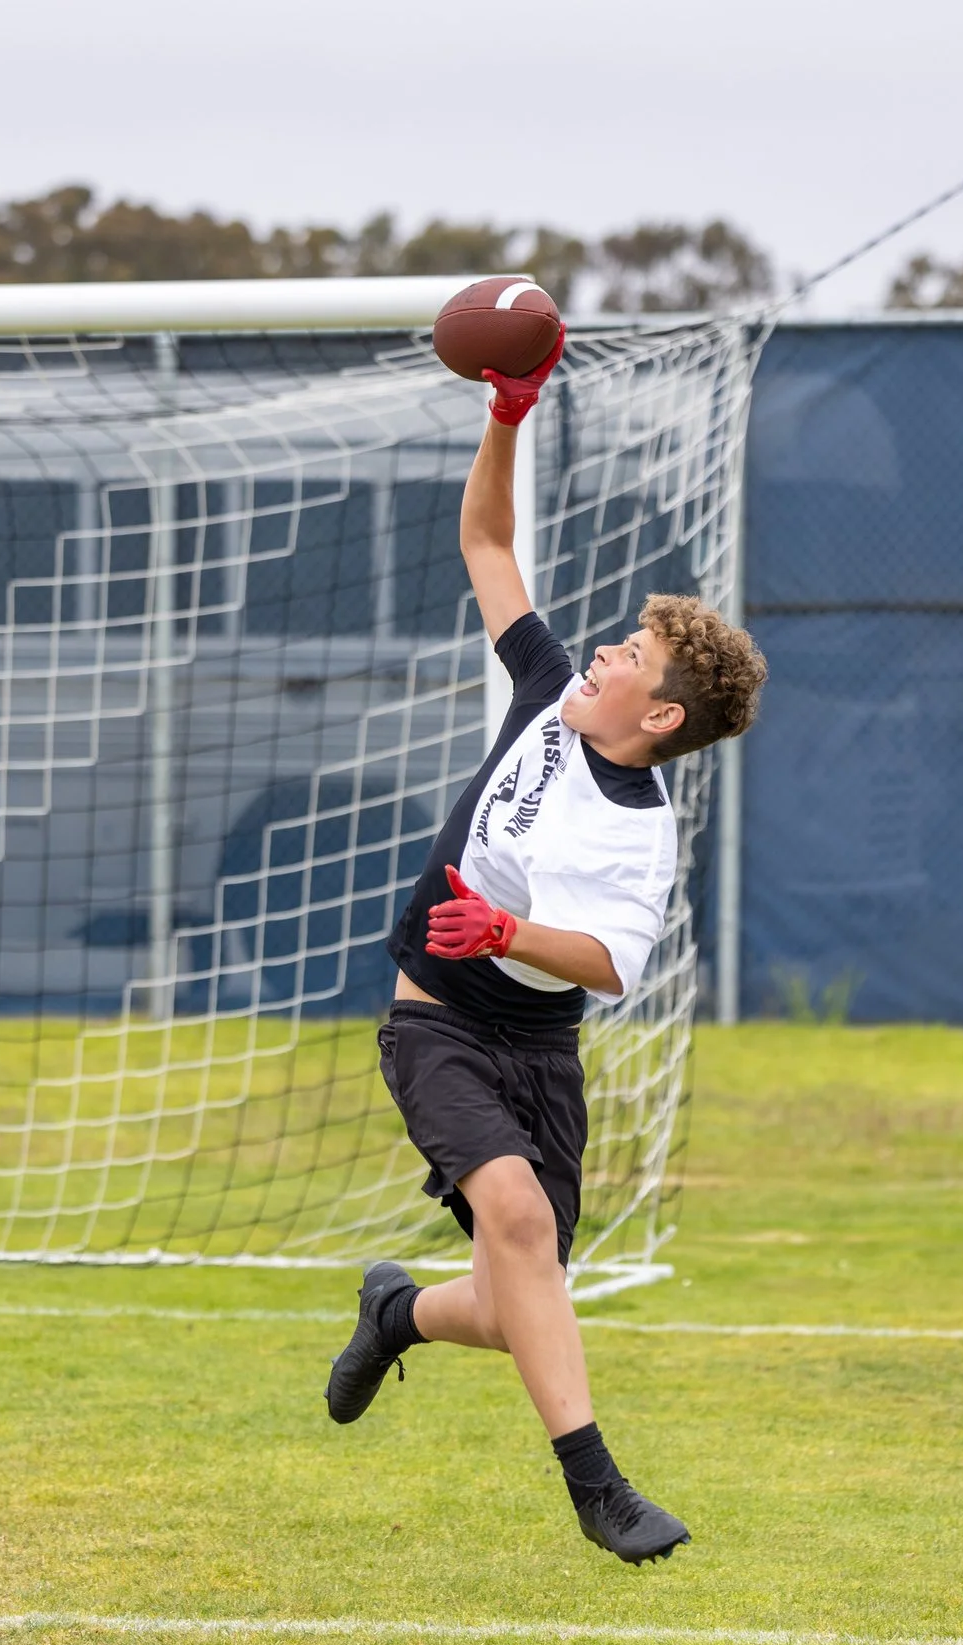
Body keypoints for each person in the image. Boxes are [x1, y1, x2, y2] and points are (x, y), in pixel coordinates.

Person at [322, 330, 768, 1564]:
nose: (605, 651)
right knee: (515, 1221)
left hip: (539, 1041)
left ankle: (397, 1310)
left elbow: (612, 963)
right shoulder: (549, 693)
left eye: (630, 655)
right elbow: (487, 542)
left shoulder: (638, 833)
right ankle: (599, 1488)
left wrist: (514, 929)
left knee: (523, 1292)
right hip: (437, 1019)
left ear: (660, 716)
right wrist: (508, 410)